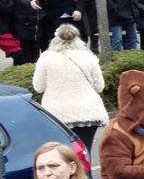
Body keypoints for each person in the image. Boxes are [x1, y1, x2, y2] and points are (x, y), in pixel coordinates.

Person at [31, 24, 106, 152]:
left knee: (63, 156)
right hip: (88, 112)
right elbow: (99, 87)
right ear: (77, 38)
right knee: (84, 153)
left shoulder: (46, 58)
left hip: (57, 114)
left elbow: (38, 87)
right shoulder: (89, 57)